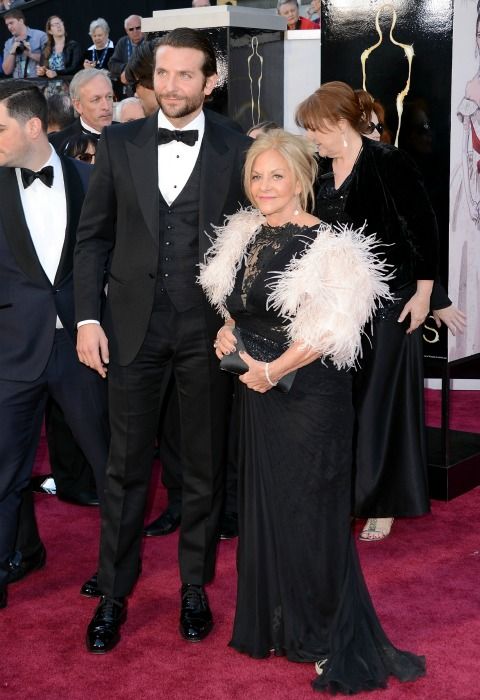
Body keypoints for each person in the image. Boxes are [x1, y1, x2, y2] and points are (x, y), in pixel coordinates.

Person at [199, 128, 425, 694]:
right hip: (257, 394)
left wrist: (270, 371)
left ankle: (327, 636)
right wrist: (228, 334)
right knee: (269, 509)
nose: (264, 186)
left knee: (312, 517)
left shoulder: (332, 246)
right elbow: (237, 306)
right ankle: (281, 622)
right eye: (256, 175)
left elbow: (330, 332)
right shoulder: (246, 235)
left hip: (308, 400)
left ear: (302, 179)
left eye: (277, 175)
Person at [74, 27, 251, 653]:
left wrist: (242, 320)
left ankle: (194, 586)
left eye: (185, 75)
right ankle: (114, 593)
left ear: (210, 82)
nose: (171, 87)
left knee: (203, 464)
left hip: (207, 330)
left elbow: (253, 242)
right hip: (129, 328)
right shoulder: (119, 142)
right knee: (124, 467)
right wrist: (87, 320)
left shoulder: (236, 147)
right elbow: (93, 238)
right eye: (163, 74)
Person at [296, 82, 443, 543]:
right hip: (338, 305)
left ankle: (381, 502)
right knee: (341, 404)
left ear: (340, 123)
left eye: (315, 129)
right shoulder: (318, 169)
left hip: (390, 304)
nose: (312, 138)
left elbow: (423, 227)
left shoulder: (387, 162)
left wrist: (424, 295)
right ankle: (344, 497)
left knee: (381, 405)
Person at [0, 80, 109, 609]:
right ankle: (10, 560)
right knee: (4, 469)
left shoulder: (93, 181)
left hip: (83, 345)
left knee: (108, 461)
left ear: (33, 126)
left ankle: (115, 571)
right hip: (12, 350)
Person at [49, 68, 114, 153]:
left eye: (109, 97)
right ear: (78, 106)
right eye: (96, 99)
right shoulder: (56, 144)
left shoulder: (129, 134)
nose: (106, 106)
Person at [36, 16, 82, 93]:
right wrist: (41, 72)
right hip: (51, 90)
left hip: (69, 89)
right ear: (50, 31)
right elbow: (44, 69)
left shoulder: (73, 45)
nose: (58, 26)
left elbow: (75, 68)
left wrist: (56, 73)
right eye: (55, 24)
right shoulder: (46, 49)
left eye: (60, 23)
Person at [2, 8, 46, 79]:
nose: (9, 27)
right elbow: (6, 71)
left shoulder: (40, 36)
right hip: (18, 86)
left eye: (11, 23)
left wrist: (29, 54)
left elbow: (50, 61)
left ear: (21, 21)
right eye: (7, 25)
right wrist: (12, 52)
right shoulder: (8, 43)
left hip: (38, 84)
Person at [108, 14, 144, 100]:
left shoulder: (150, 41)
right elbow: (112, 64)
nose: (135, 31)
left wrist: (131, 69)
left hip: (145, 86)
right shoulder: (122, 42)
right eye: (131, 29)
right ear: (126, 31)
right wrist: (126, 69)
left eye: (138, 28)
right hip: (127, 89)